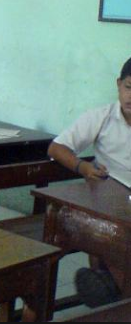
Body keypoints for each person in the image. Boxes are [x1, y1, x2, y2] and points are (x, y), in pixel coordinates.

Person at [48, 56, 131, 308]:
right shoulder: (102, 117)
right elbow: (56, 147)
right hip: (108, 199)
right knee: (117, 238)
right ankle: (114, 293)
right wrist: (82, 166)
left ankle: (108, 288)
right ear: (118, 85)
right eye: (129, 87)